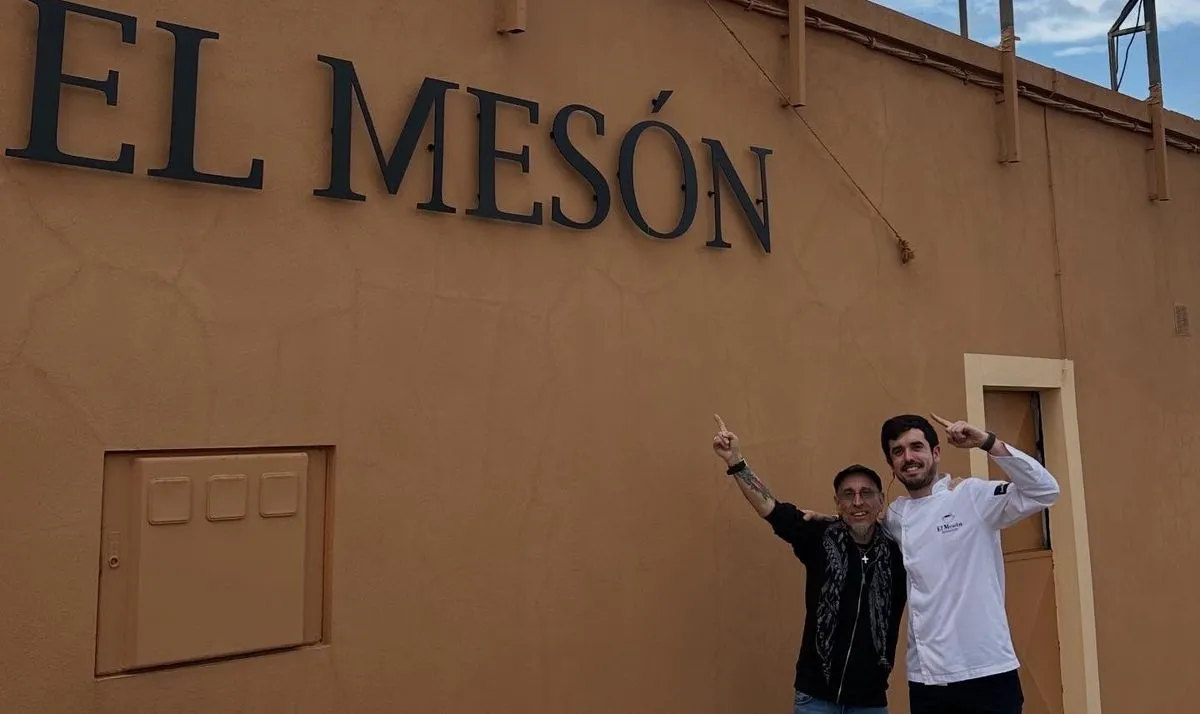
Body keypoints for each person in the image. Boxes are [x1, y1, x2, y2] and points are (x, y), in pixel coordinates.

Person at [711, 414, 907, 714]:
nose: (858, 502)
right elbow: (770, 508)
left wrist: (950, 489)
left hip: (870, 701)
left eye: (866, 493)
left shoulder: (901, 551)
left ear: (881, 501)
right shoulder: (819, 537)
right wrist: (736, 461)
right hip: (816, 697)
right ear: (837, 503)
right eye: (848, 495)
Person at [875, 413, 1061, 714]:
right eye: (898, 451)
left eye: (916, 447)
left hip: (987, 670)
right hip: (927, 678)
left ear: (936, 453)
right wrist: (827, 521)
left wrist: (987, 442)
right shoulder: (897, 515)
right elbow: (864, 531)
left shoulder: (972, 496)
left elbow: (1045, 491)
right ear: (892, 464)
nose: (908, 457)